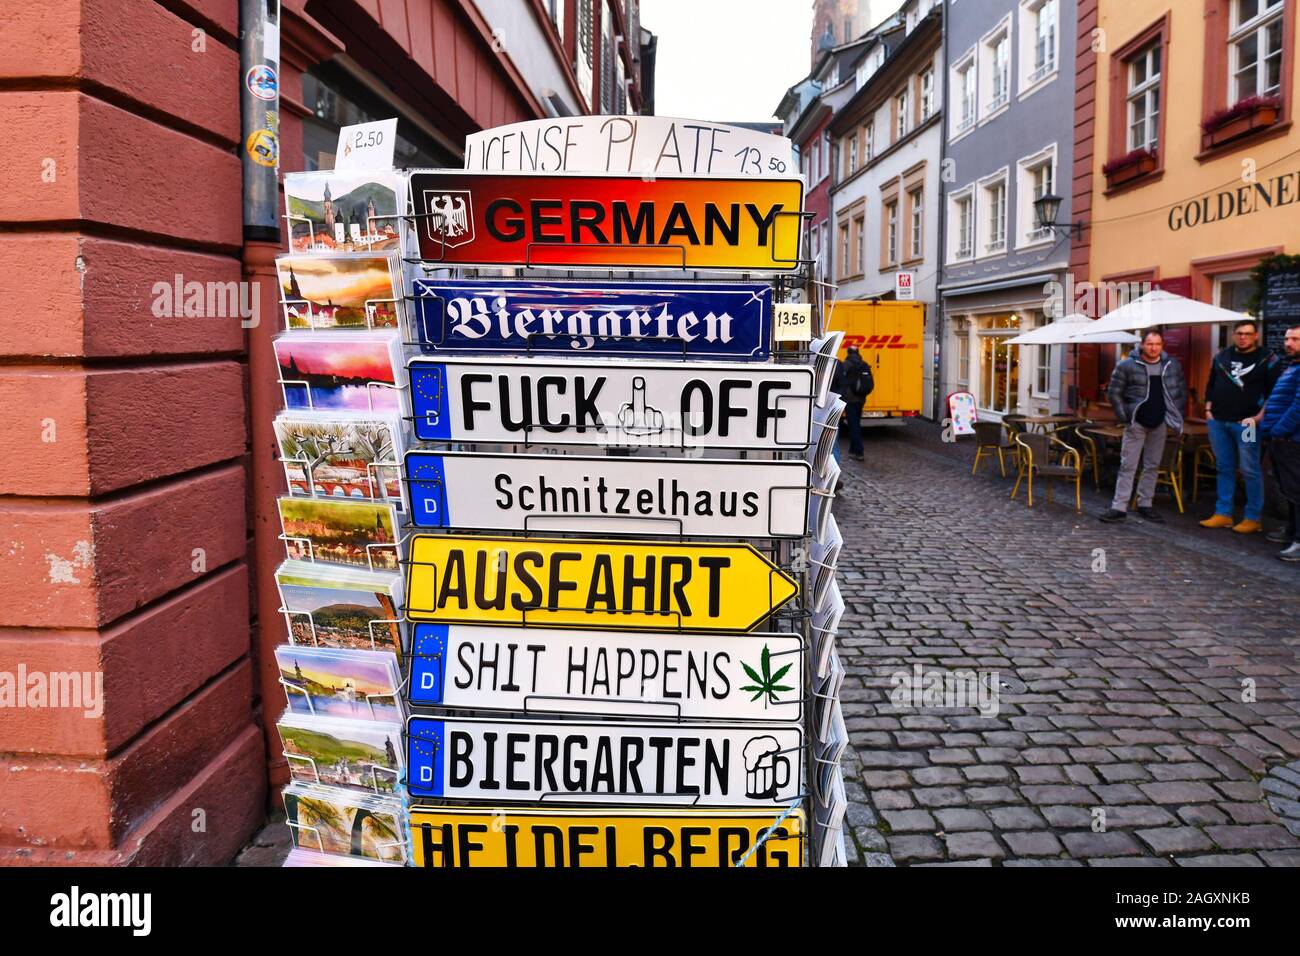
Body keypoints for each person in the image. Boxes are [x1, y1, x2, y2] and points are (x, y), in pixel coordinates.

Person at [1199, 319, 1282, 533]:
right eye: (1239, 333)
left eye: (1248, 333)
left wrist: (1258, 417)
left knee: (1249, 469)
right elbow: (1210, 385)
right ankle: (1223, 513)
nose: (1243, 337)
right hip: (1218, 421)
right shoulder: (1222, 357)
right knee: (1224, 467)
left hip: (1247, 423)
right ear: (1234, 335)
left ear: (1256, 335)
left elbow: (1275, 393)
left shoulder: (1267, 359)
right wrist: (1208, 410)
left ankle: (1253, 517)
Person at [1100, 329, 1188, 523]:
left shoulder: (1171, 365)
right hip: (1136, 422)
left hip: (1160, 422)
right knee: (1128, 465)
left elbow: (1180, 392)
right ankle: (1119, 507)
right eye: (1150, 344)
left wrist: (1176, 417)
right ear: (1142, 345)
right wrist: (1125, 416)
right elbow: (1114, 393)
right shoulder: (1127, 365)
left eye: (1157, 344)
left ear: (1162, 346)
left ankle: (1145, 504)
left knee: (1152, 466)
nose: (1153, 348)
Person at [1260, 323, 1300, 562]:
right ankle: (1292, 532)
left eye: (1295, 339)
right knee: (1290, 491)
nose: (1288, 343)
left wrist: (1279, 431)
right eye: (1287, 339)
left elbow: (1298, 407)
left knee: (1297, 491)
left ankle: (1298, 540)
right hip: (1282, 440)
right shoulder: (1292, 366)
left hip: (1291, 440)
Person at [832, 345, 874, 461]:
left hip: (850, 400)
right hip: (861, 399)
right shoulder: (863, 364)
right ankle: (853, 450)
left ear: (848, 352)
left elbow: (841, 381)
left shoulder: (846, 364)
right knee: (856, 424)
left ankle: (859, 451)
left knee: (853, 425)